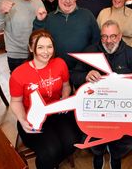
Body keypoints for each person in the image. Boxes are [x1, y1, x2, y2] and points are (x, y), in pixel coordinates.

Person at [71, 20, 132, 169]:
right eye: (104, 37)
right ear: (100, 37)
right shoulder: (90, 51)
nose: (108, 41)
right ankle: (99, 152)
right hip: (95, 108)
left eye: (113, 36)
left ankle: (115, 155)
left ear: (120, 36)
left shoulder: (130, 53)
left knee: (131, 139)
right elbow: (74, 75)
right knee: (88, 134)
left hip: (122, 108)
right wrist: (85, 75)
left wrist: (125, 84)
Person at [9, 29, 81, 169]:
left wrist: (65, 98)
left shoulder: (60, 63)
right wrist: (23, 120)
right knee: (51, 151)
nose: (46, 51)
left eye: (49, 46)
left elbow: (66, 86)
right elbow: (15, 101)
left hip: (57, 113)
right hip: (33, 117)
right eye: (40, 47)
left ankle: (54, 160)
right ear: (31, 48)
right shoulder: (19, 74)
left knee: (73, 142)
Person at [33, 0, 100, 71]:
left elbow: (96, 41)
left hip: (82, 69)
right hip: (55, 69)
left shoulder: (87, 15)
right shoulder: (49, 17)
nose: (68, 1)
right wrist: (39, 21)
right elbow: (36, 40)